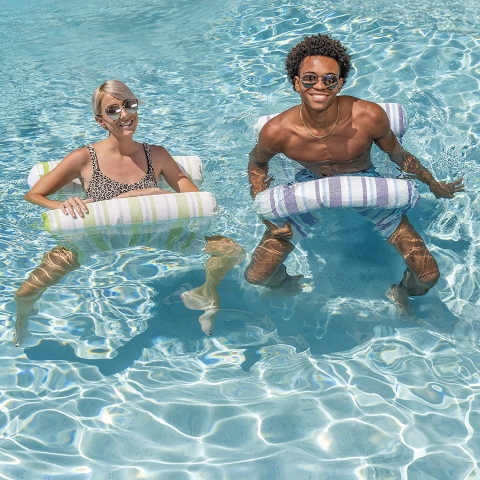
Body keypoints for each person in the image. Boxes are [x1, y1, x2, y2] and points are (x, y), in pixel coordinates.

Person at [244, 34, 464, 313]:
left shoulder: (368, 117)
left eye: (329, 79)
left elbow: (399, 155)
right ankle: (285, 283)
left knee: (428, 275)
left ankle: (400, 290)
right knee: (257, 275)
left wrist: (432, 183)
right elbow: (256, 164)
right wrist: (268, 216)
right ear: (297, 83)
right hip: (309, 185)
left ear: (340, 84)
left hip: (366, 181)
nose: (320, 86)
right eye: (310, 78)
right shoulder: (278, 132)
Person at [14, 80, 245, 346]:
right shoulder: (83, 158)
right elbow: (33, 195)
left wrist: (159, 194)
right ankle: (23, 317)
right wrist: (63, 205)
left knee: (232, 251)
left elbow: (196, 200)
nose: (124, 114)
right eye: (112, 110)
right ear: (100, 121)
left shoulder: (157, 155)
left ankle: (207, 290)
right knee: (24, 295)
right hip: (97, 238)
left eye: (129, 105)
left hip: (157, 233)